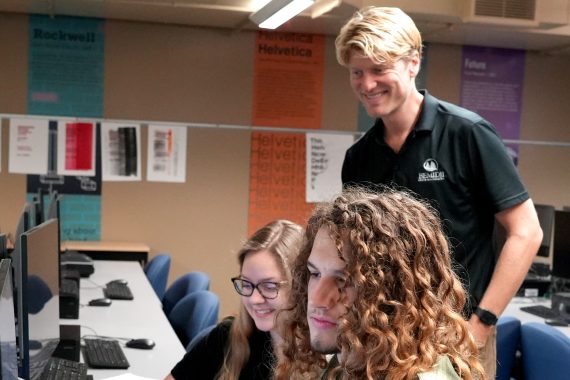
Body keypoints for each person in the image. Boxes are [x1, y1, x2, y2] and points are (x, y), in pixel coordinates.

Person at [335, 6, 543, 376]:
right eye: (357, 72)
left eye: (379, 69)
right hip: (383, 335)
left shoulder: (468, 134)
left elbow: (526, 232)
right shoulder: (359, 158)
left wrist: (482, 323)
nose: (367, 84)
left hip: (459, 333)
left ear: (413, 63)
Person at [275, 188, 486, 380]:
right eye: (314, 273)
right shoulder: (348, 364)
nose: (317, 299)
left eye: (344, 280)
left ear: (397, 294)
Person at [165, 219, 303, 380]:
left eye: (269, 286)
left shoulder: (322, 361)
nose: (253, 299)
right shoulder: (227, 337)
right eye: (246, 284)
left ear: (300, 286)